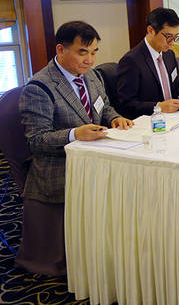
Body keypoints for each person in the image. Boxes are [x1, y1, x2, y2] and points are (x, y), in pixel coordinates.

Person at [18, 21, 133, 275]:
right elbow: (36, 141)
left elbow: (103, 107)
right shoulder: (39, 87)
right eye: (83, 52)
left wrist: (115, 118)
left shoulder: (92, 76)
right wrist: (74, 134)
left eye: (94, 52)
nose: (90, 60)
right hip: (60, 167)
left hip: (95, 157)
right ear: (61, 50)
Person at [116, 7, 179, 119]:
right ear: (151, 30)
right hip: (150, 121)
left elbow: (176, 87)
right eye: (168, 36)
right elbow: (126, 104)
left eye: (175, 37)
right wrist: (158, 106)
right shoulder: (131, 61)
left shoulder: (169, 55)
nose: (172, 42)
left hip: (174, 116)